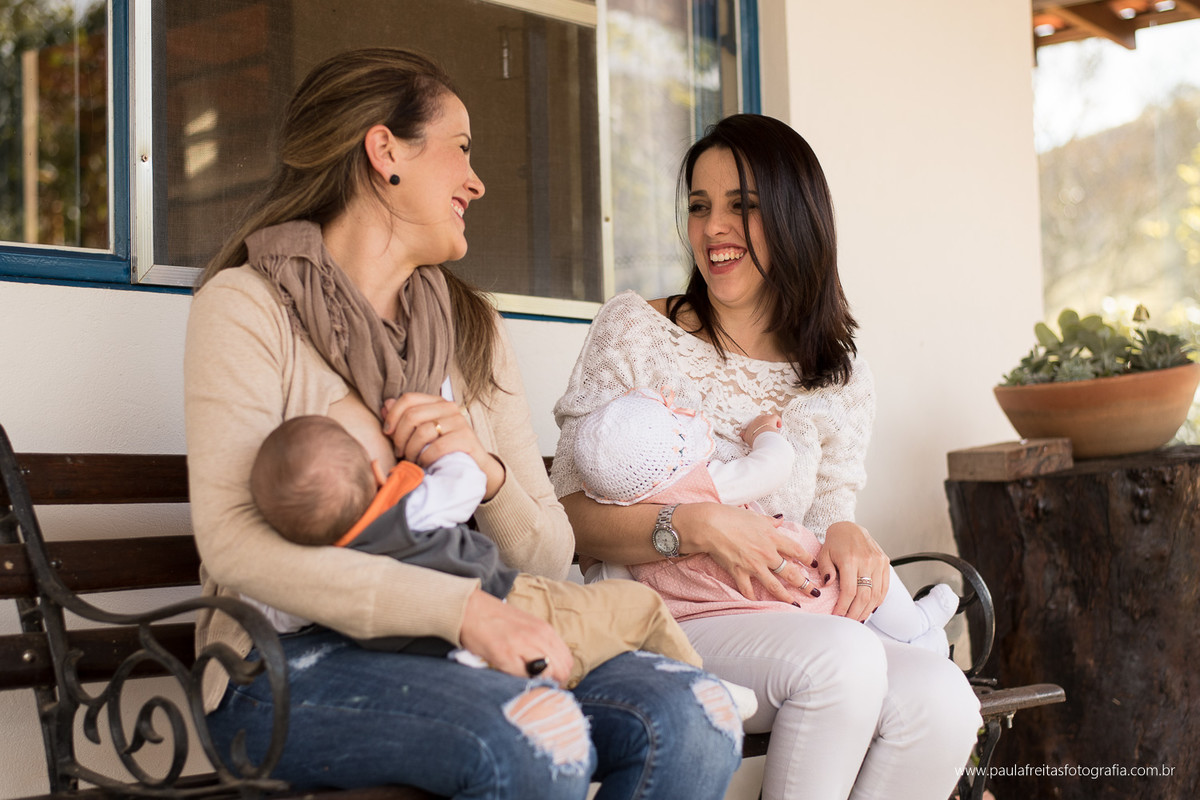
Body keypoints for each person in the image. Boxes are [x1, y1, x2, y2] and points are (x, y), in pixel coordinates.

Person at [184, 47, 742, 800]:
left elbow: (549, 554)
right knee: (534, 733)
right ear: (386, 152)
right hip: (280, 666)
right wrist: (462, 612)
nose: (476, 181)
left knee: (697, 715)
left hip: (459, 640)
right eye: (462, 148)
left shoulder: (471, 327)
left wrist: (487, 472)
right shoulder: (249, 306)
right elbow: (234, 544)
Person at [551, 114, 983, 800]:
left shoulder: (838, 373)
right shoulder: (636, 330)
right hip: (667, 618)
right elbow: (567, 520)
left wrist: (847, 533)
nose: (713, 228)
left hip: (796, 616)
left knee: (943, 699)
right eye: (700, 206)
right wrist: (693, 526)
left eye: (742, 206)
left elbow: (828, 511)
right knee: (843, 662)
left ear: (794, 217)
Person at [244, 413, 710, 692]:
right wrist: (454, 450)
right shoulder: (410, 507)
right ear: (372, 468)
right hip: (519, 607)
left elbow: (276, 611)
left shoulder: (321, 568)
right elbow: (464, 483)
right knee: (641, 606)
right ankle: (702, 685)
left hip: (445, 655)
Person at [573, 388, 959, 655]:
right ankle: (917, 626)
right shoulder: (704, 483)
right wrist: (763, 434)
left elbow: (611, 584)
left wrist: (594, 569)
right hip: (797, 581)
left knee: (855, 630)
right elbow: (773, 466)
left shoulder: (628, 514)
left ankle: (916, 646)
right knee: (864, 594)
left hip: (761, 618)